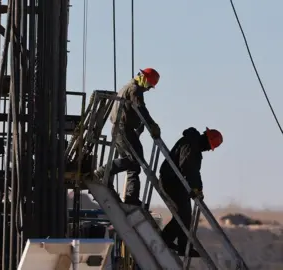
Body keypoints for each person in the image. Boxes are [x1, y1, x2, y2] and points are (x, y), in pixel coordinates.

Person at [91, 68, 162, 206]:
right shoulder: (135, 89)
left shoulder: (129, 87)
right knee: (134, 161)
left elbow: (133, 111)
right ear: (143, 77)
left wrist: (140, 127)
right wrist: (152, 125)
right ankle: (102, 173)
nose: (148, 89)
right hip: (123, 129)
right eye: (148, 85)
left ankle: (131, 197)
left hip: (122, 129)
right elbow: (140, 108)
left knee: (133, 163)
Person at [159, 127, 223, 257]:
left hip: (177, 183)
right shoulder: (191, 144)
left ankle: (182, 246)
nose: (207, 150)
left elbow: (193, 171)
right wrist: (195, 188)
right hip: (171, 182)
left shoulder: (194, 145)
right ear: (206, 139)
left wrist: (198, 188)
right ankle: (165, 240)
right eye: (209, 146)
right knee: (183, 215)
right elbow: (188, 167)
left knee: (186, 216)